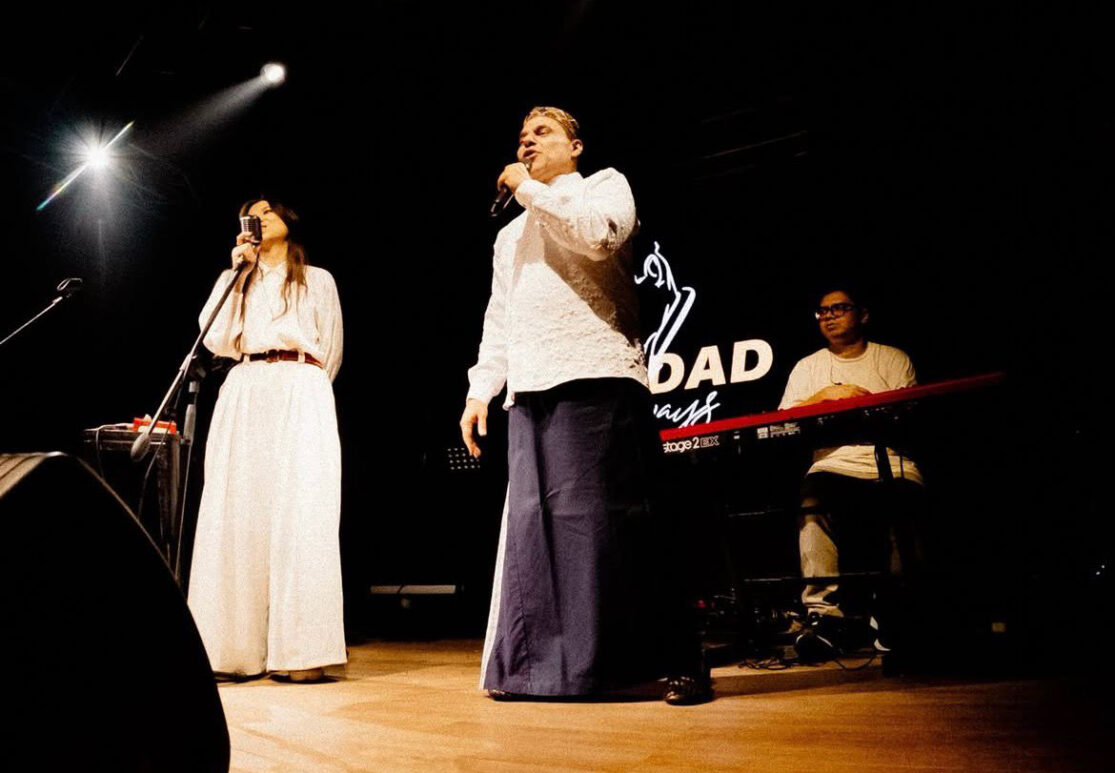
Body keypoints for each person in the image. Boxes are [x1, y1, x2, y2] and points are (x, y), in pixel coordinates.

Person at [461, 106, 709, 705]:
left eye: (542, 132)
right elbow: (501, 315)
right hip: (531, 387)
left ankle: (675, 661)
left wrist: (528, 191)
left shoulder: (605, 185)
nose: (527, 143)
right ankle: (548, 671)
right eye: (522, 136)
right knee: (538, 530)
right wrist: (480, 389)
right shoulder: (509, 235)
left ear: (576, 146)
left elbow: (598, 239)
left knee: (619, 525)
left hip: (597, 374)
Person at [187, 198, 345, 682]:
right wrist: (237, 273)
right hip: (246, 386)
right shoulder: (236, 277)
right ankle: (232, 650)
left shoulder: (317, 279)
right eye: (252, 215)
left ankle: (301, 653)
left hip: (301, 384)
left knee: (302, 514)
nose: (260, 219)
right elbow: (214, 338)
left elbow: (331, 349)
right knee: (238, 514)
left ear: (288, 221)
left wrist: (305, 389)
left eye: (268, 211)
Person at [779, 287, 924, 661]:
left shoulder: (892, 358)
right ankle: (823, 617)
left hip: (891, 461)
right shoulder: (807, 367)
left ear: (863, 314)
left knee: (906, 507)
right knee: (811, 506)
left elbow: (908, 414)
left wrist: (857, 402)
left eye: (838, 308)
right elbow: (784, 422)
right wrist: (824, 397)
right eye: (822, 311)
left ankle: (897, 612)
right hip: (833, 464)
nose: (828, 316)